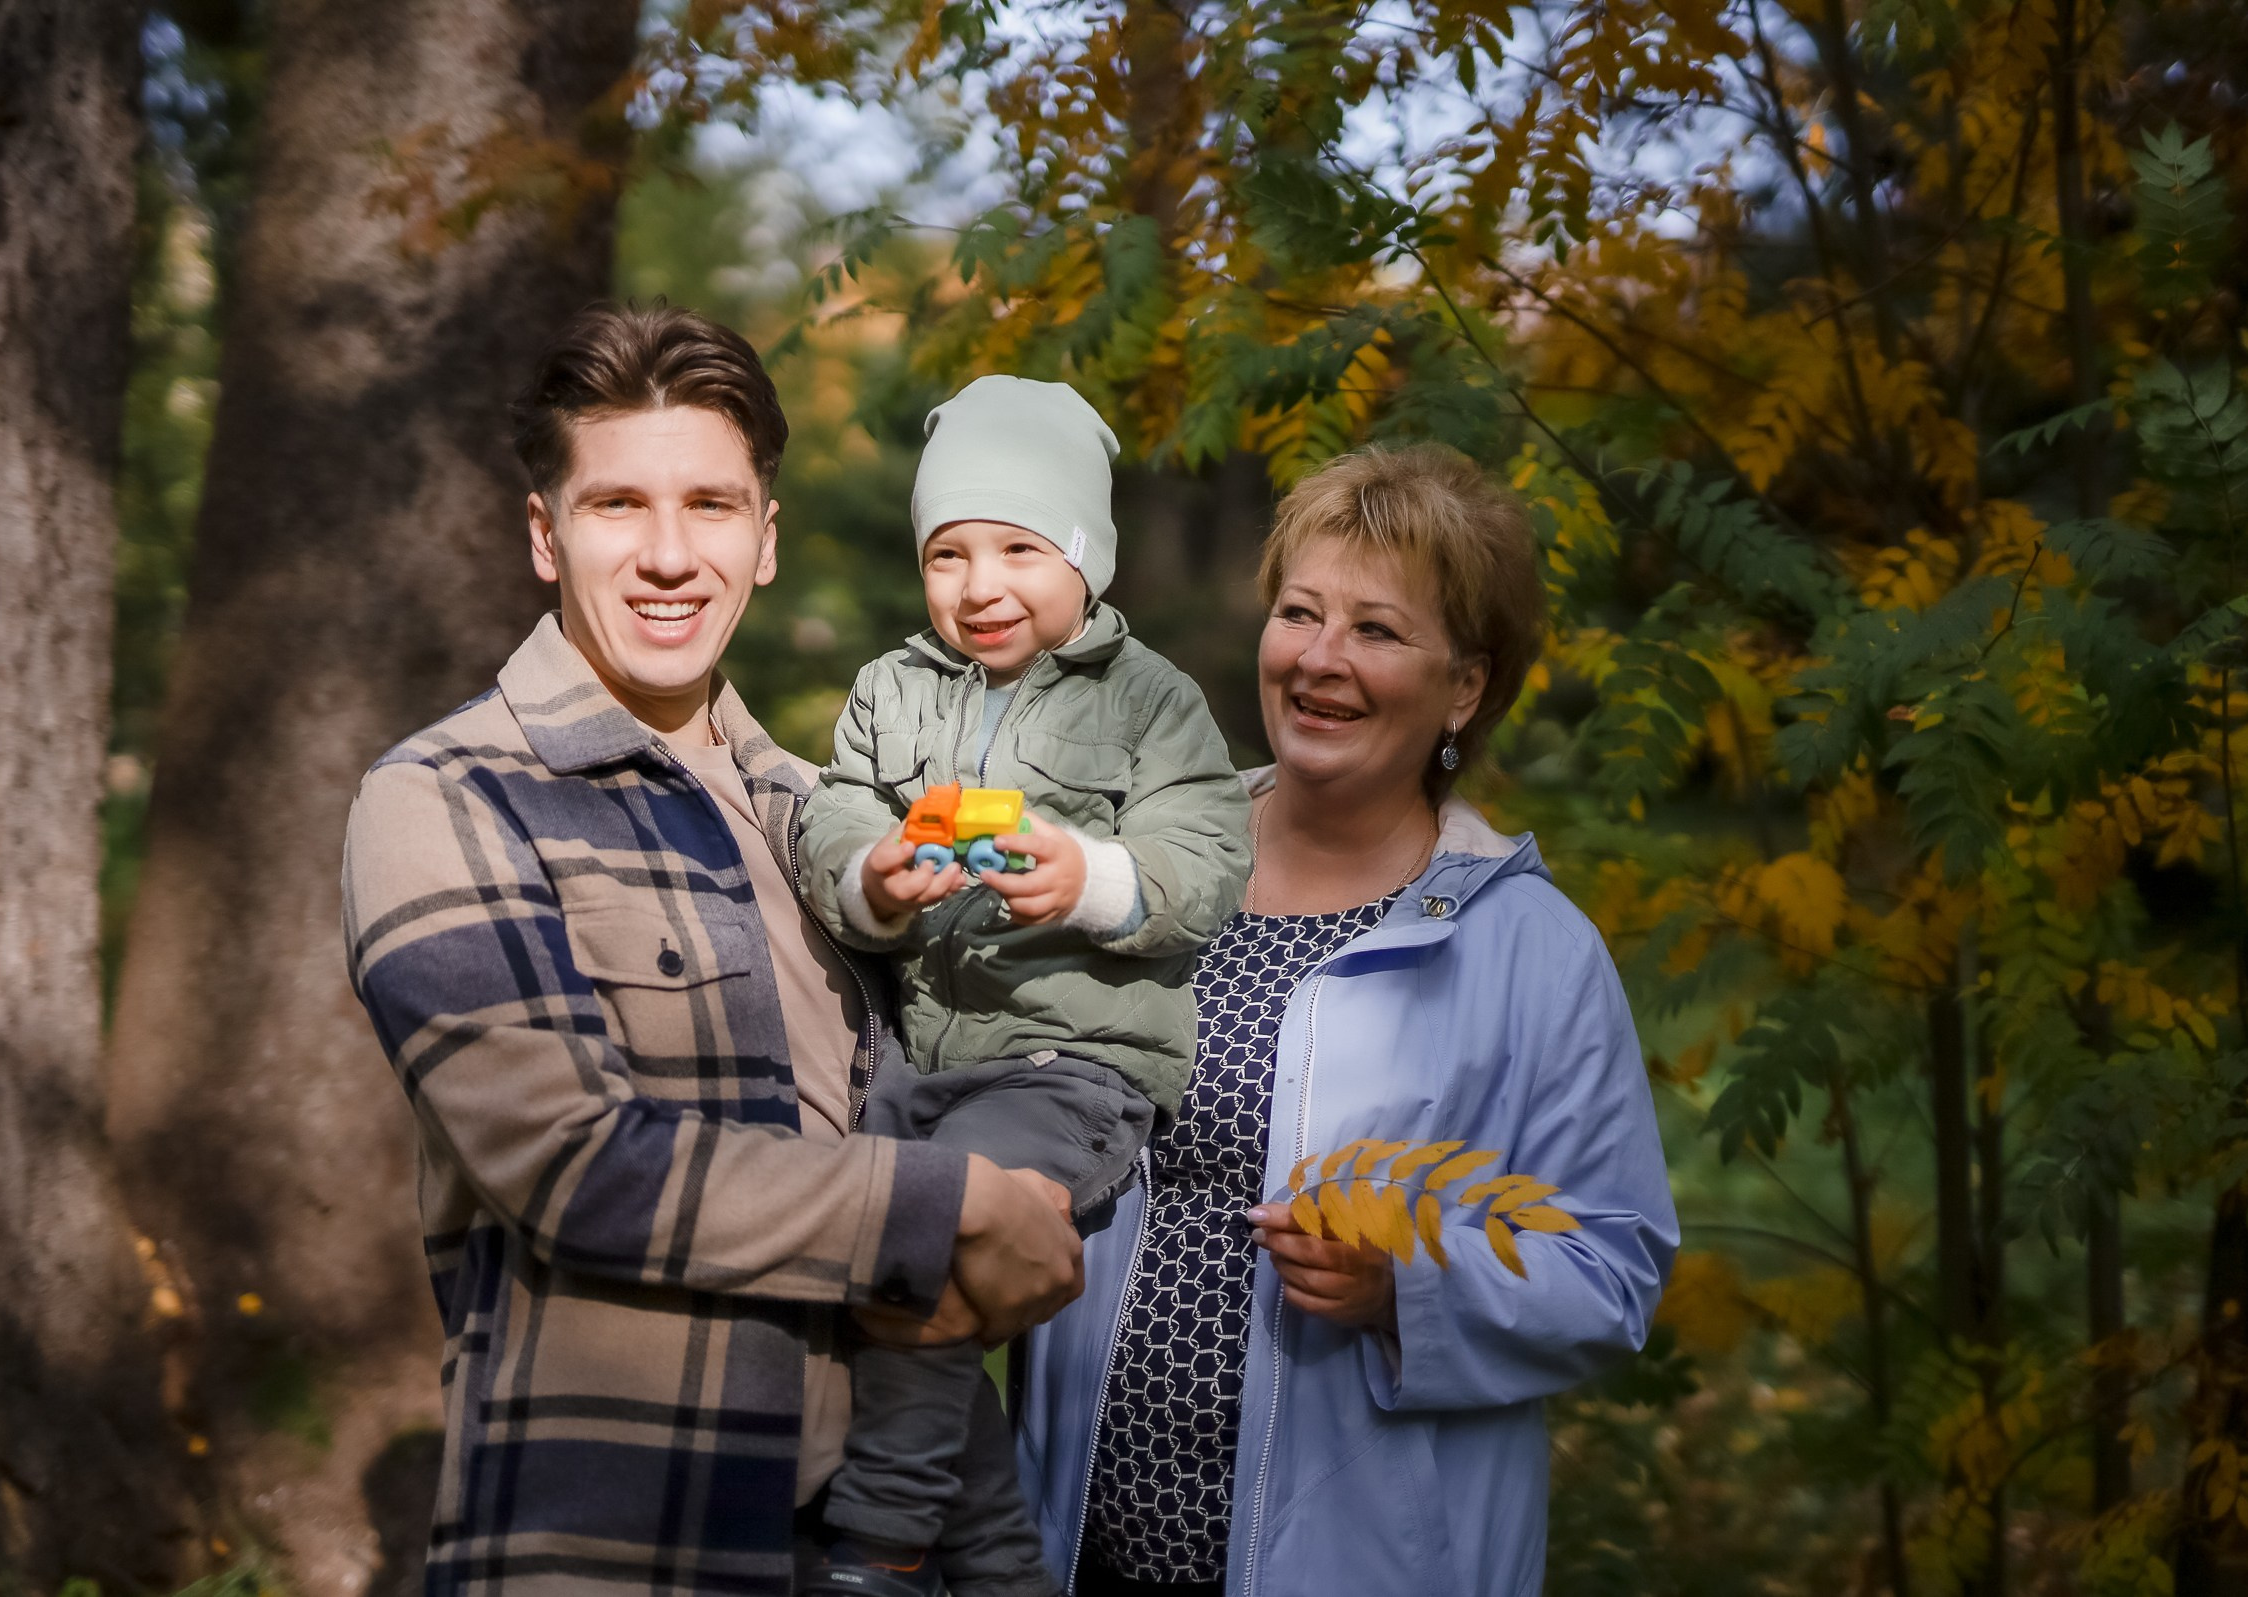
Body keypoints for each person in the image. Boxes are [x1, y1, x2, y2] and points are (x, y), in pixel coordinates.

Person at [340, 302, 1086, 1597]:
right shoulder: (445, 797)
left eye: (713, 506)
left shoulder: (828, 820)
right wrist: (947, 1205)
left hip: (882, 1545)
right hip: (621, 1539)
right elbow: (574, 1165)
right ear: (545, 534)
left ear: (767, 540)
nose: (670, 556)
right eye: (619, 504)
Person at [1014, 444, 1681, 1596]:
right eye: (1301, 613)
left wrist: (1406, 1288)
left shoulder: (1534, 950)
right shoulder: (1142, 865)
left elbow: (1610, 1268)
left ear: (1464, 686)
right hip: (1068, 1546)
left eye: (1377, 630)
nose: (1322, 659)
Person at [794, 376, 1254, 1596]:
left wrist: (1094, 879)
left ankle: (880, 1540)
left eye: (1019, 547)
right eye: (948, 552)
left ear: (1087, 558)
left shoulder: (1147, 700)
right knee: (895, 1279)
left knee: (936, 1240)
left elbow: (1205, 855)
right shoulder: (894, 689)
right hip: (924, 1058)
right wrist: (874, 878)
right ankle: (1002, 1566)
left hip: (1073, 1064)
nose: (979, 583)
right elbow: (835, 808)